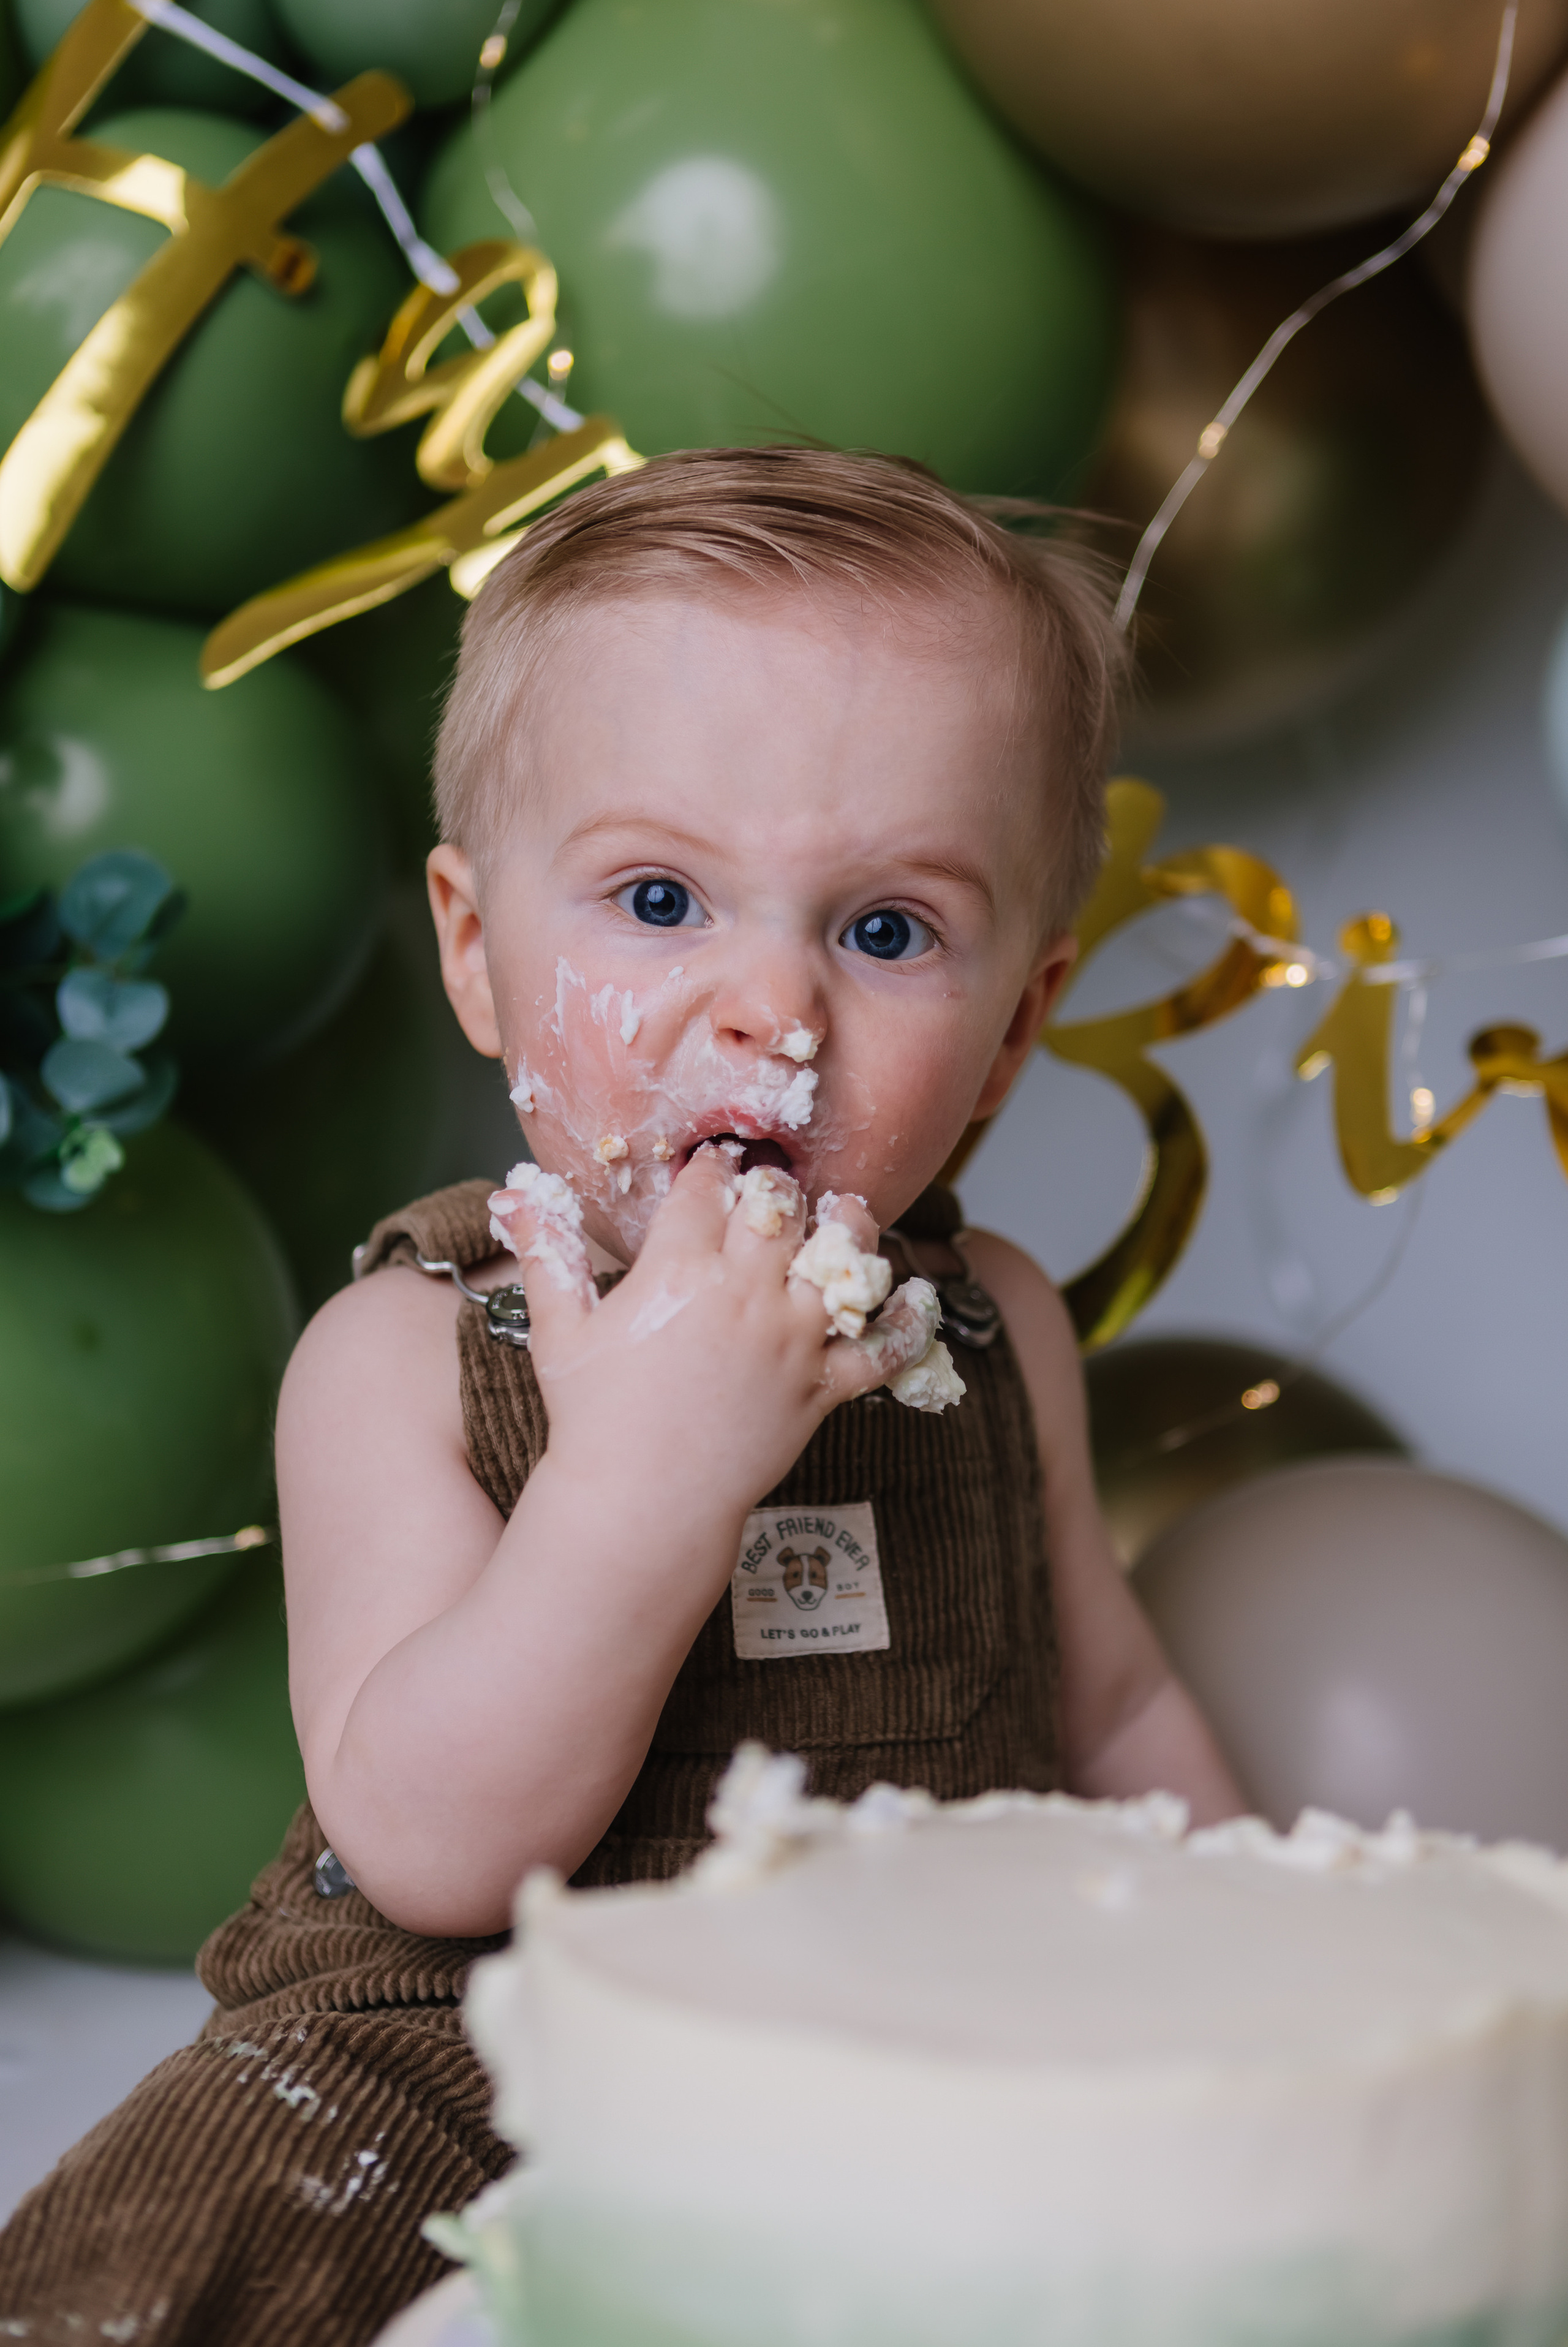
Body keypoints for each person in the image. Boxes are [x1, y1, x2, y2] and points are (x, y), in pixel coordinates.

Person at [0, 447, 1241, 2343]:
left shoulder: (993, 1333)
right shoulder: (406, 1354)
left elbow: (1119, 1705)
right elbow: (431, 1844)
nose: (773, 1008)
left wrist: (1265, 1973)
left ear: (1011, 1036)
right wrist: (648, 1477)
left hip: (906, 2034)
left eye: (887, 929)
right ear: (478, 952)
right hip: (478, 2049)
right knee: (188, 2245)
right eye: (661, 897)